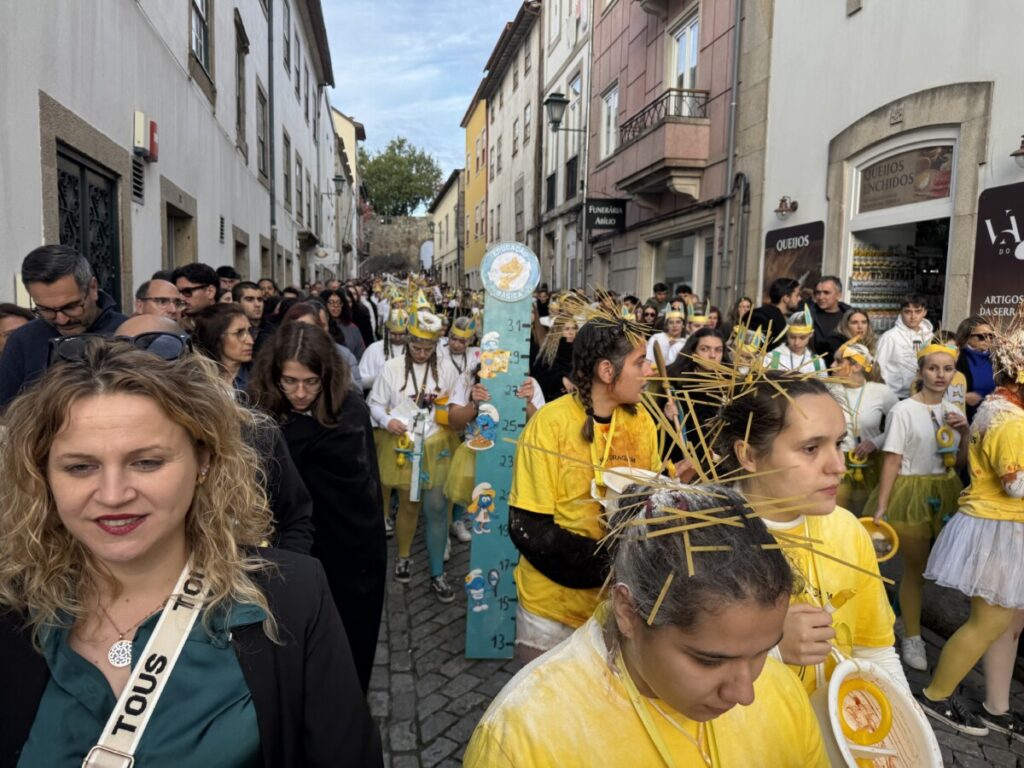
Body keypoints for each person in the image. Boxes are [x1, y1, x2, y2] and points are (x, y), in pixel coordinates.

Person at [0, 341, 381, 766]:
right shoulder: (14, 607)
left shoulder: (291, 598)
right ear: (42, 474)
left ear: (203, 460)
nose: (113, 495)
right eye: (80, 467)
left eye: (146, 462)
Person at [466, 484, 828, 767]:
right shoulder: (524, 738)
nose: (745, 694)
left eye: (763, 652)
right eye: (709, 661)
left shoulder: (783, 694)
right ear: (628, 611)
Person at [714, 373, 908, 696]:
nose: (838, 466)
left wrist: (904, 719)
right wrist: (770, 645)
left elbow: (873, 650)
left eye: (839, 443)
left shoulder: (847, 530)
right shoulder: (708, 540)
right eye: (811, 448)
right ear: (749, 455)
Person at [509, 317, 660, 662]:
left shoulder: (642, 423)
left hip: (617, 610)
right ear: (607, 371)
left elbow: (644, 508)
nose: (650, 370)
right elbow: (528, 528)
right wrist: (611, 563)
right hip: (551, 613)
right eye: (640, 362)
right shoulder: (550, 424)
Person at [248, 323, 385, 694]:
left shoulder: (350, 412)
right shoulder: (258, 416)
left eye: (311, 382)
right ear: (273, 376)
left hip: (348, 555)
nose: (300, 393)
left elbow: (360, 491)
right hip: (287, 552)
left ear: (327, 376)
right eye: (289, 382)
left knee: (344, 651)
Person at [918, 327, 1024, 738]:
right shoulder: (1009, 421)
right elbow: (1015, 485)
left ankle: (997, 707)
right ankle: (936, 695)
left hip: (1006, 528)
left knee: (1007, 623)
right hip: (998, 529)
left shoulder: (1002, 407)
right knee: (990, 621)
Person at [865, 342, 967, 671]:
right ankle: (912, 635)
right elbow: (892, 460)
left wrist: (965, 433)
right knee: (916, 571)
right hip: (910, 494)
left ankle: (898, 616)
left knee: (929, 569)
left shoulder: (954, 410)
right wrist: (882, 505)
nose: (940, 375)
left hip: (945, 492)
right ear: (921, 371)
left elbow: (960, 462)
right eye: (933, 368)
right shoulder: (903, 410)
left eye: (947, 369)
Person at [368, 309, 460, 602]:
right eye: (416, 348)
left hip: (436, 444)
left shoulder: (446, 368)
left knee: (437, 508)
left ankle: (437, 573)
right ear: (408, 343)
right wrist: (387, 421)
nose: (421, 354)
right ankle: (404, 556)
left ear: (435, 346)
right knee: (408, 505)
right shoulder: (392, 368)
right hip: (404, 443)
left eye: (427, 349)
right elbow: (375, 404)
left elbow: (455, 403)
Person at [0, 245, 127, 408]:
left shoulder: (127, 332)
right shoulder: (22, 340)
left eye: (71, 307)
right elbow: (6, 412)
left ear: (93, 288)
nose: (61, 320)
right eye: (46, 310)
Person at [828, 342, 898, 516]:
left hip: (870, 462)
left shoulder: (881, 392)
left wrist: (876, 442)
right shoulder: (828, 390)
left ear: (856, 366)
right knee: (837, 513)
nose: (832, 365)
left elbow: (899, 427)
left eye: (839, 361)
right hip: (837, 461)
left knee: (866, 513)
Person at [282, 301, 362, 389]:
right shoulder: (276, 356)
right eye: (302, 327)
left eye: (322, 326)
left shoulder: (343, 356)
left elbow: (356, 392)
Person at [875, 294, 933, 399]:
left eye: (917, 311)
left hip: (923, 395)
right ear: (901, 312)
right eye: (908, 312)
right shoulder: (890, 337)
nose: (913, 316)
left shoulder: (931, 337)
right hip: (895, 397)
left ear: (924, 312)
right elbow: (877, 369)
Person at [192, 304, 255, 391]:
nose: (250, 341)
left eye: (250, 331)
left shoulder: (260, 377)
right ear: (216, 338)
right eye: (239, 333)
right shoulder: (193, 379)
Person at [763, 308, 828, 377]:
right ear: (787, 334)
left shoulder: (817, 363)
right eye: (792, 337)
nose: (797, 343)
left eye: (802, 338)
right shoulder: (772, 358)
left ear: (811, 334)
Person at [954, 315, 996, 422]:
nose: (988, 340)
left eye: (991, 336)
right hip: (965, 418)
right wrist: (963, 397)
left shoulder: (996, 360)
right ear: (967, 337)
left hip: (990, 418)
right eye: (982, 336)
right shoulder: (956, 358)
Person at [359, 308, 408, 393]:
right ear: (387, 330)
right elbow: (360, 381)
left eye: (401, 334)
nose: (397, 338)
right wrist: (382, 377)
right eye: (393, 334)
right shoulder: (374, 349)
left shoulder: (414, 349)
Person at [748, 278, 802, 350]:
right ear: (785, 298)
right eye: (797, 295)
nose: (800, 298)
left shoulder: (783, 318)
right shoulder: (761, 317)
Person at [810, 276, 851, 360]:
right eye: (818, 293)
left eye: (826, 293)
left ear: (838, 295)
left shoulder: (850, 315)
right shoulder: (808, 315)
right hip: (816, 365)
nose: (821, 297)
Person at [321, 289, 366, 361]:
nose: (336, 305)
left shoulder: (352, 328)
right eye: (331, 302)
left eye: (339, 302)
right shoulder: (319, 326)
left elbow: (360, 355)